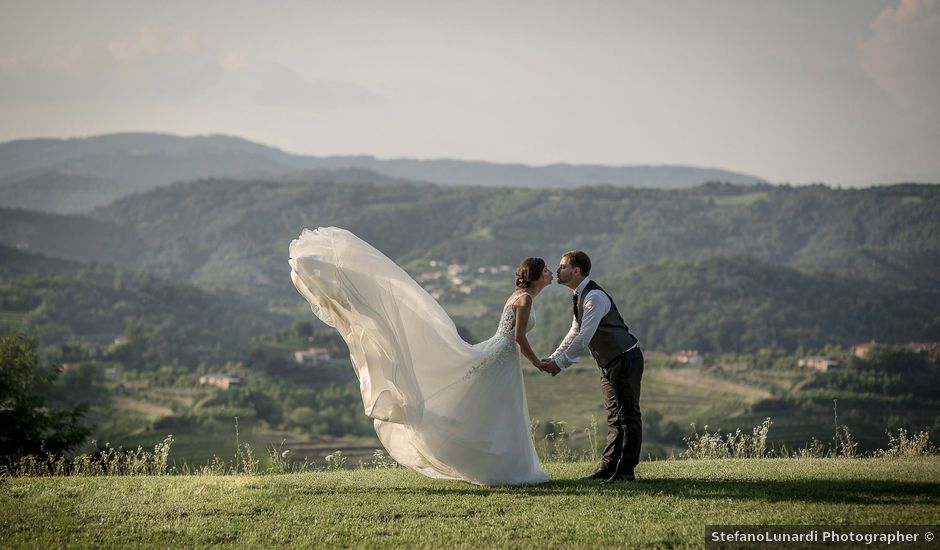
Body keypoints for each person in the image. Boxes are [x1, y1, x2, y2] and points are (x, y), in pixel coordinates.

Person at [288, 227, 550, 486]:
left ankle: (505, 466)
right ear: (537, 275)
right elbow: (518, 336)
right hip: (502, 356)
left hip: (502, 355)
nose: (551, 273)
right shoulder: (524, 299)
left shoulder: (518, 295)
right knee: (499, 410)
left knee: (497, 410)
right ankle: (505, 467)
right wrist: (538, 362)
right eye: (547, 270)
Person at [541, 251, 644, 483]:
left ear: (576, 271)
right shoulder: (579, 296)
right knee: (614, 417)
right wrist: (554, 356)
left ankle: (625, 472)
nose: (558, 270)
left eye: (563, 266)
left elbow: (584, 338)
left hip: (625, 358)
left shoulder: (594, 298)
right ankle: (608, 469)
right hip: (609, 363)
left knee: (628, 416)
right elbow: (574, 332)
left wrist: (560, 364)